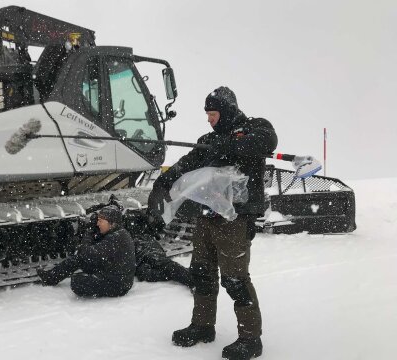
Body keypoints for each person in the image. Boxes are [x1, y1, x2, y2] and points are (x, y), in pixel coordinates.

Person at [148, 86, 277, 360]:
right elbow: (186, 163)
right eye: (207, 114)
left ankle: (250, 339)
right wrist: (161, 185)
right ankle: (202, 326)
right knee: (202, 274)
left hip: (235, 220)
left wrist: (230, 144)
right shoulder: (207, 139)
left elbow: (267, 142)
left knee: (235, 280)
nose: (209, 119)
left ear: (226, 112)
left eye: (213, 114)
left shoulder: (254, 128)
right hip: (206, 218)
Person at [36, 206, 135, 298]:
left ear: (112, 223)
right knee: (78, 259)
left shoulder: (116, 238)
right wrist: (92, 232)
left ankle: (51, 278)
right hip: (111, 271)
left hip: (118, 285)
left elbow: (86, 253)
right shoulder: (117, 232)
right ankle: (50, 277)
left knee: (77, 282)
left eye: (100, 221)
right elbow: (92, 251)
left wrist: (89, 232)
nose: (97, 224)